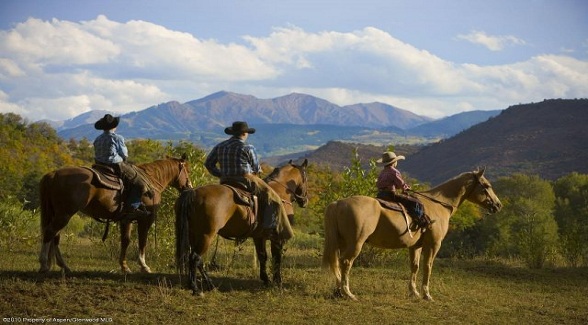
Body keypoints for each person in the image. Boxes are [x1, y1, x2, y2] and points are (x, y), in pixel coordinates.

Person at [204, 121, 292, 239]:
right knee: (273, 197)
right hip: (246, 179)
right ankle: (269, 228)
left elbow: (209, 164)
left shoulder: (220, 146)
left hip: (225, 181)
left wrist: (221, 174)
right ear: (244, 133)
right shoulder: (248, 147)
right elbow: (256, 168)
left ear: (233, 133)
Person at [93, 114, 152, 220]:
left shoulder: (97, 139)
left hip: (98, 166)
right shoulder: (117, 138)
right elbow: (124, 154)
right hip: (115, 165)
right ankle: (132, 207)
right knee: (140, 183)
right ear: (113, 126)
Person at [375, 151, 431, 228]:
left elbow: (378, 184)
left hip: (380, 194)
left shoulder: (382, 172)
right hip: (390, 194)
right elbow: (401, 184)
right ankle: (419, 220)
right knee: (416, 202)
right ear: (394, 162)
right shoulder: (394, 172)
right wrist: (406, 188)